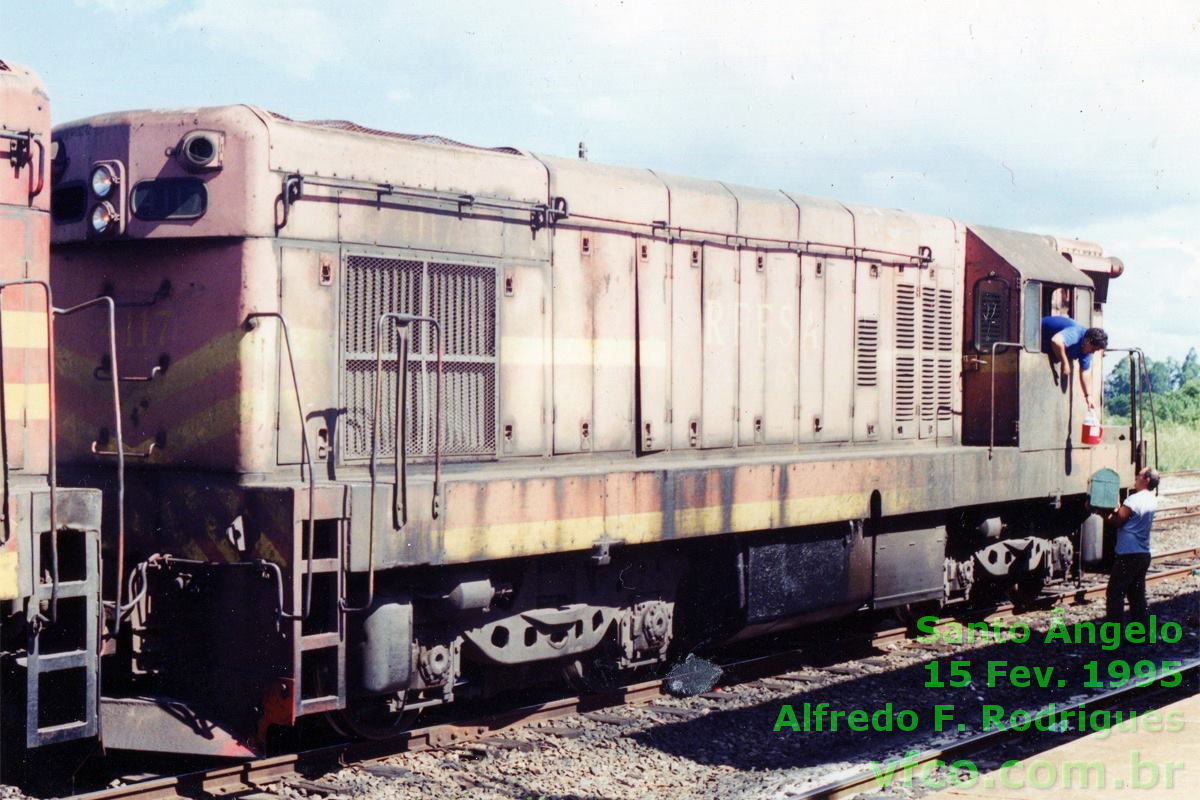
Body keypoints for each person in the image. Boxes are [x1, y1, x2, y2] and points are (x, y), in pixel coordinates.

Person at [1105, 467, 1159, 625]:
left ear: (1147, 480)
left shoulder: (1133, 500)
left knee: (1115, 594)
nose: (1136, 477)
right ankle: (1139, 635)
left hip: (1129, 555)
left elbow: (1118, 521)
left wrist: (1101, 513)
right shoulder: (1151, 499)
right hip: (1143, 554)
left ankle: (1113, 636)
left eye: (1139, 475)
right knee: (1137, 597)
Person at [1040, 316, 1107, 410]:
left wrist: (1088, 396)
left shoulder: (1085, 349)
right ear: (1088, 341)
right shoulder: (1076, 333)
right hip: (1032, 332)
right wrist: (1065, 362)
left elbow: (1084, 372)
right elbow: (1056, 341)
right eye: (1093, 349)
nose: (1092, 352)